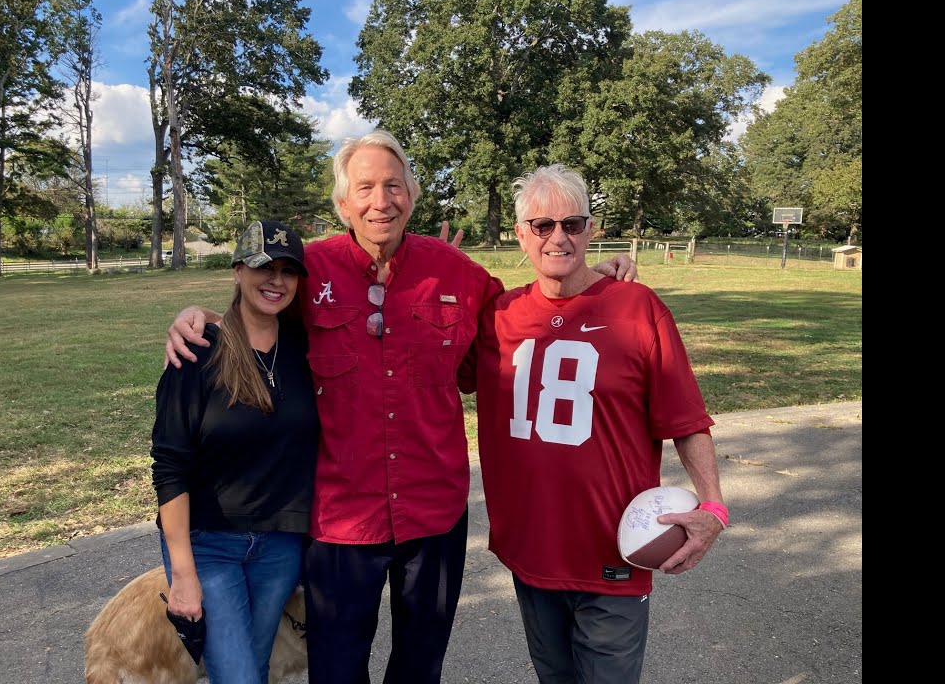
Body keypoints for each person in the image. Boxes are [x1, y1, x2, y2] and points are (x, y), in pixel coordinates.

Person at [164, 130, 638, 684]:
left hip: (433, 513)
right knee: (336, 671)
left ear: (411, 195)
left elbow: (526, 312)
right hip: (342, 517)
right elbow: (258, 311)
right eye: (364, 187)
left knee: (419, 668)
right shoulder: (308, 271)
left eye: (393, 185)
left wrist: (590, 276)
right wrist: (200, 314)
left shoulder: (457, 274)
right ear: (343, 203)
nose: (380, 200)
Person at [460, 164, 726, 684]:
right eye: (541, 225)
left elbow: (687, 419)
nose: (558, 236)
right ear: (520, 234)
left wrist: (713, 505)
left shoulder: (637, 307)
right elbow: (431, 361)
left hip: (613, 548)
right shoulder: (498, 316)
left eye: (573, 224)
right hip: (530, 549)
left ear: (592, 229)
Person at [150, 220, 320, 684]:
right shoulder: (198, 352)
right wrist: (182, 572)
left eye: (289, 271)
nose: (276, 281)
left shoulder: (305, 349)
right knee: (238, 677)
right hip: (210, 545)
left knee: (255, 667)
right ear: (238, 270)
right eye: (263, 267)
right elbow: (169, 467)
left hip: (280, 543)